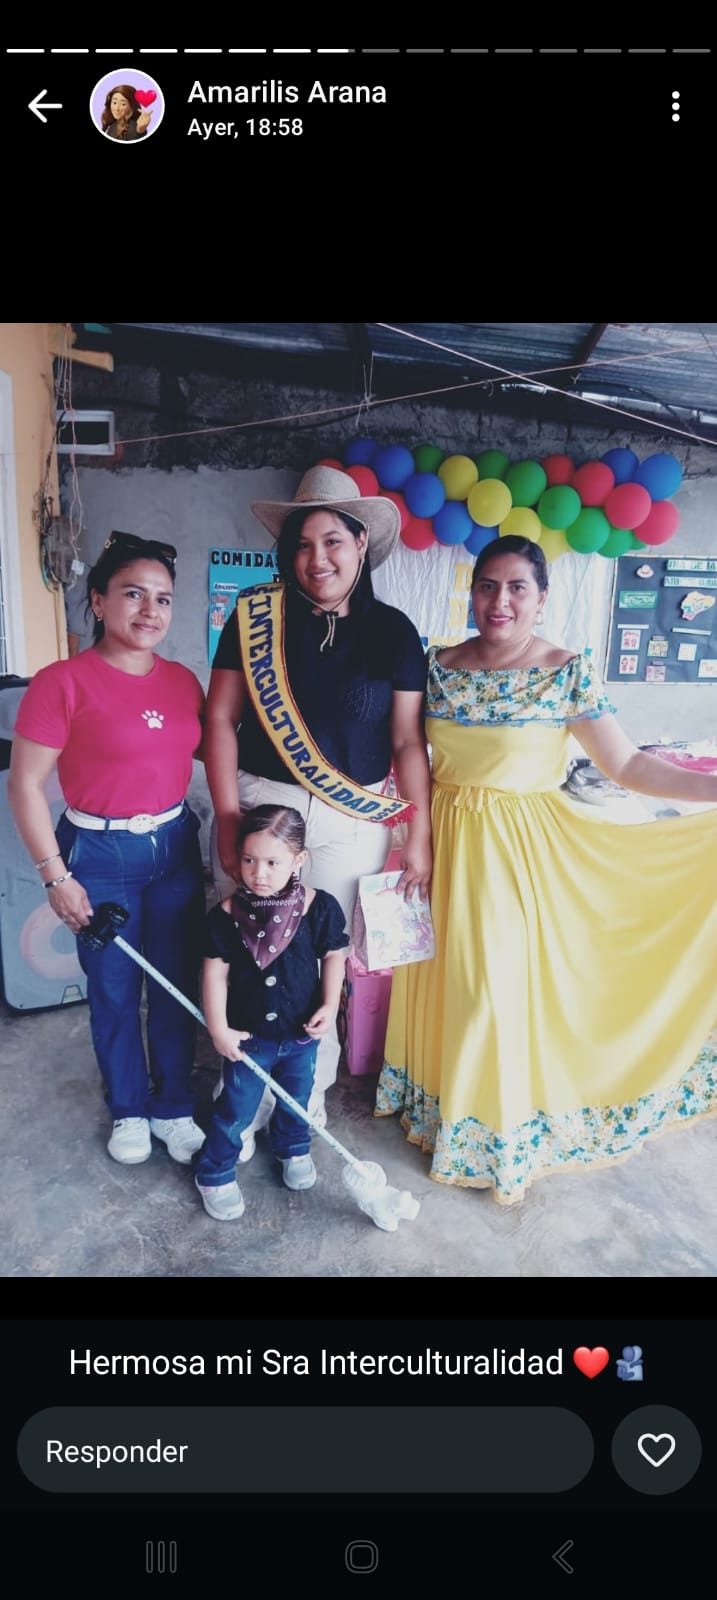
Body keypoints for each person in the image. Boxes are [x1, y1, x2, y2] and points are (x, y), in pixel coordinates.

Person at [376, 534, 717, 1206]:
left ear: (541, 599)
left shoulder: (566, 671)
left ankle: (494, 1133)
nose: (499, 601)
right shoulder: (437, 666)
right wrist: (415, 834)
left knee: (489, 990)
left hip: (518, 854)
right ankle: (442, 1105)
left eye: (516, 588)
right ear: (471, 593)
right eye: (487, 586)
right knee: (445, 977)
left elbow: (626, 764)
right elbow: (408, 744)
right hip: (443, 838)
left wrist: (711, 789)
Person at [204, 465, 432, 1136]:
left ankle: (303, 1104)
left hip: (352, 818)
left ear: (361, 543)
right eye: (302, 544)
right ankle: (240, 1106)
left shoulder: (394, 631)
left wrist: (417, 835)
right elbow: (219, 719)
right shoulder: (255, 617)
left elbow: (407, 741)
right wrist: (227, 815)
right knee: (246, 956)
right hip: (262, 807)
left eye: (332, 541)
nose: (317, 559)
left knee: (323, 960)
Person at [9, 531, 207, 1168]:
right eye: (133, 594)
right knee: (115, 988)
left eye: (163, 599)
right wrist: (54, 876)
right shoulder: (62, 683)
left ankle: (173, 1105)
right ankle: (128, 1106)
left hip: (174, 849)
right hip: (97, 855)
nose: (150, 611)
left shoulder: (184, 683)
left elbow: (217, 751)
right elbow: (25, 784)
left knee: (175, 982)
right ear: (97, 601)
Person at [195, 804, 350, 1221]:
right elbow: (214, 974)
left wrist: (330, 1004)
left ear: (298, 860)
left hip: (301, 1034)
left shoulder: (319, 908)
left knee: (297, 1099)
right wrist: (218, 1029)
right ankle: (215, 1171)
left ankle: (293, 1148)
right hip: (248, 1040)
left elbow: (334, 955)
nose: (258, 873)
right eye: (249, 860)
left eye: (272, 862)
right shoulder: (225, 917)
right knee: (236, 1109)